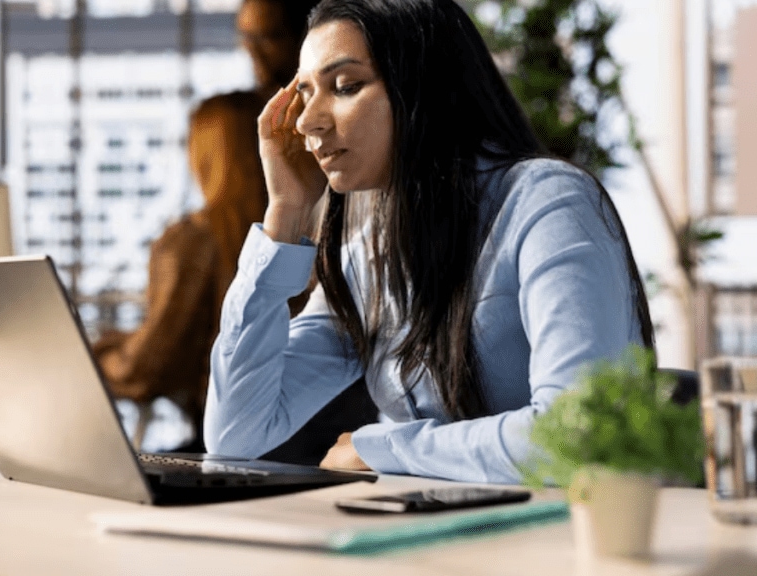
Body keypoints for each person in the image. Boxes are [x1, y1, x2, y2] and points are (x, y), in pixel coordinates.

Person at [203, 0, 655, 483]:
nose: (307, 121)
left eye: (346, 87)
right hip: (419, 541)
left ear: (424, 89)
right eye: (305, 94)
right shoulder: (370, 258)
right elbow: (236, 433)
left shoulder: (548, 204)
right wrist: (284, 214)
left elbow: (578, 436)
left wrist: (383, 447)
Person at [93, 0, 380, 455]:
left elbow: (147, 368)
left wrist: (95, 353)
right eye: (245, 37)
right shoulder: (294, 224)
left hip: (285, 448)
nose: (253, 52)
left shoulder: (197, 241)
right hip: (313, 441)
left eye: (346, 85)